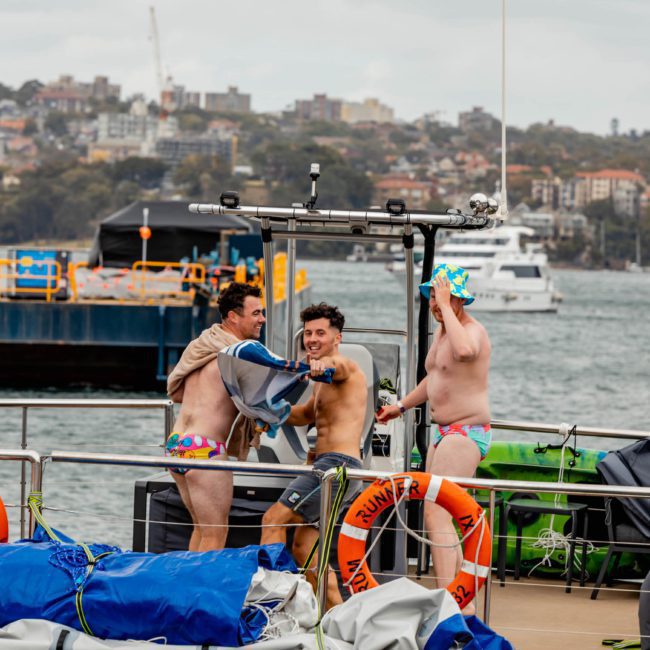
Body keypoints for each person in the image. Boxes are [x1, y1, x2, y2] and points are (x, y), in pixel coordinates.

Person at [376, 263, 491, 611]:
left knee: (436, 515)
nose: (435, 307)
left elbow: (466, 352)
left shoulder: (472, 331)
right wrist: (401, 406)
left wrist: (447, 306)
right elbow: (434, 378)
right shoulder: (443, 333)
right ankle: (459, 599)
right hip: (444, 433)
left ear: (458, 300)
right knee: (439, 517)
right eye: (432, 301)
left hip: (466, 432)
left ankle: (449, 600)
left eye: (441, 300)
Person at [260, 303, 367, 609]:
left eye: (320, 332)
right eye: (308, 333)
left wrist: (321, 368)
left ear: (337, 337)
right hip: (327, 468)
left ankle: (271, 605)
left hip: (337, 468)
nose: (312, 339)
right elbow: (305, 413)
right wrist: (271, 413)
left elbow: (335, 369)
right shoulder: (321, 382)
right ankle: (339, 620)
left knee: (272, 519)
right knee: (305, 552)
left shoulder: (344, 367)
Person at [165, 282, 266, 551]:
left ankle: (186, 589)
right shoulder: (239, 354)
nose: (262, 319)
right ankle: (202, 592)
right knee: (216, 534)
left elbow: (177, 393)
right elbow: (262, 404)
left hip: (177, 445)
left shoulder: (202, 344)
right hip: (205, 449)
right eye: (256, 313)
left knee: (201, 528)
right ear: (233, 316)